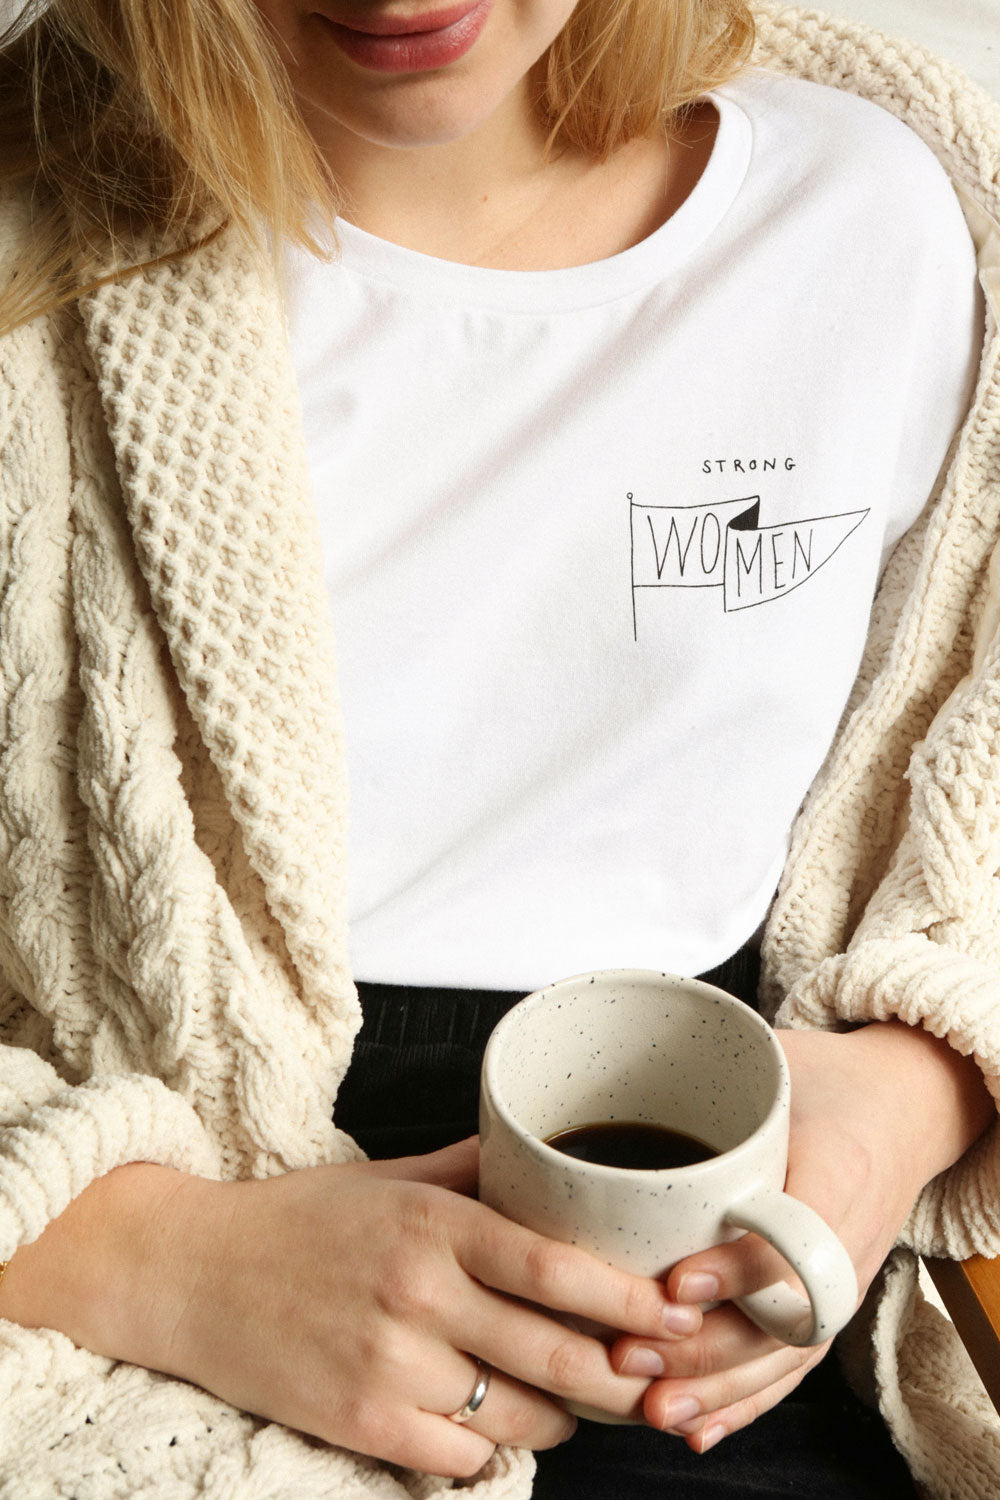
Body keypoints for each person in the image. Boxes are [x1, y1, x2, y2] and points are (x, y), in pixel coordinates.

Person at [0, 0, 998, 1496]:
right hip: (124, 1237)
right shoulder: (29, 246)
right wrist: (162, 1261)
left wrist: (907, 1093)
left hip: (725, 1253)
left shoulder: (890, 213)